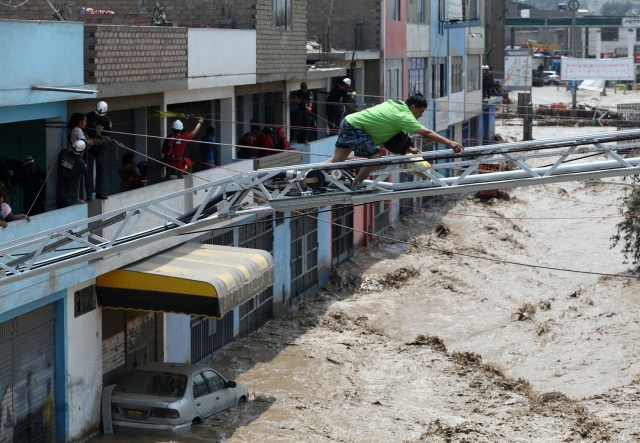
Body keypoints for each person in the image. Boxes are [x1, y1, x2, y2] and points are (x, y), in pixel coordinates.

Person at [327, 92, 464, 187]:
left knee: (336, 161)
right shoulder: (404, 116)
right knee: (374, 159)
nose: (420, 116)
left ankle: (311, 178)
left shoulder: (396, 105)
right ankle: (355, 186)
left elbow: (393, 132)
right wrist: (449, 142)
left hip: (349, 121)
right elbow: (426, 133)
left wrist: (408, 148)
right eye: (420, 112)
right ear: (413, 107)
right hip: (355, 126)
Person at [84, 101, 112, 200]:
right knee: (88, 170)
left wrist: (95, 142)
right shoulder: (88, 116)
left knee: (101, 170)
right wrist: (88, 140)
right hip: (88, 148)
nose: (98, 116)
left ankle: (99, 192)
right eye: (97, 114)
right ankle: (89, 193)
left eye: (100, 115)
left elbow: (107, 138)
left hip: (100, 149)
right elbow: (83, 130)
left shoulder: (107, 120)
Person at [56, 139, 88, 209]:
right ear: (82, 151)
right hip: (71, 194)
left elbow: (64, 152)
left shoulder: (63, 154)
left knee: (59, 210)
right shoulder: (81, 163)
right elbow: (86, 172)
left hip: (59, 190)